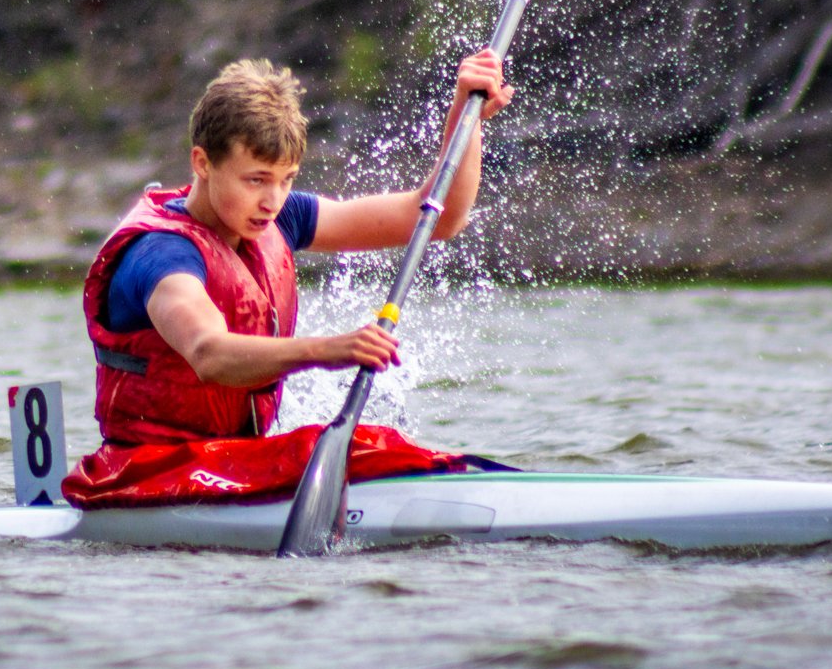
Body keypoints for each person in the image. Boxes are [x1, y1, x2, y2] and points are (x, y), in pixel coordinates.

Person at [61, 50, 513, 508]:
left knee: (372, 447)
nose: (272, 200)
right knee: (362, 452)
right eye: (256, 180)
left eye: (286, 179)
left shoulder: (280, 218)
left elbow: (436, 218)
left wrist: (465, 118)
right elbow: (208, 353)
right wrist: (327, 350)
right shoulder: (162, 255)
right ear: (202, 162)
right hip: (146, 474)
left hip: (226, 464)